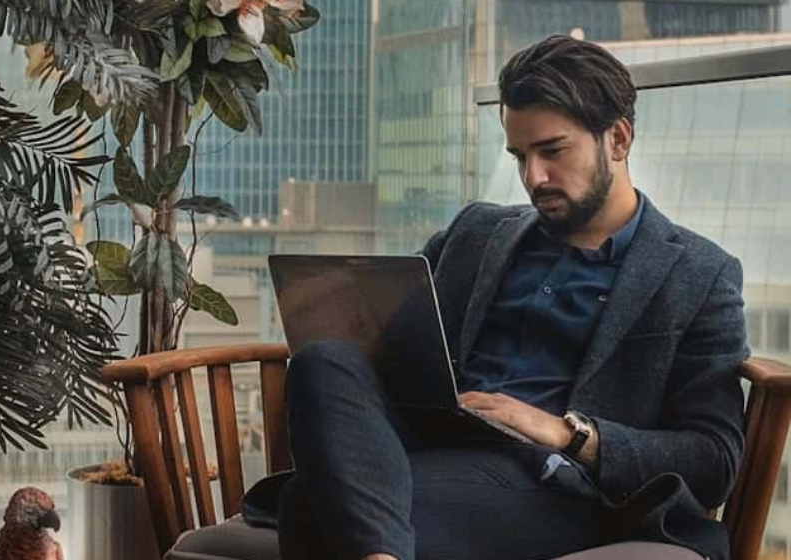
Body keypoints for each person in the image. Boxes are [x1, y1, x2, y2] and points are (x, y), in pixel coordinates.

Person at [263, 35, 748, 560]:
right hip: (427, 444)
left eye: (552, 151)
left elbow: (713, 458)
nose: (533, 177)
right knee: (323, 359)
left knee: (310, 504)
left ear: (619, 139)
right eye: (520, 156)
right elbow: (392, 342)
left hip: (553, 483)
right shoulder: (477, 232)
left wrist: (569, 434)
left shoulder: (698, 274)